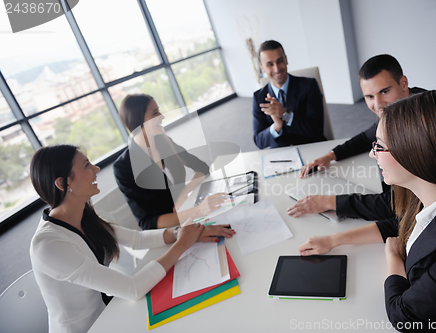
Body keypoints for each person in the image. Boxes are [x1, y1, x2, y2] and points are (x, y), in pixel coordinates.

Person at [297, 91, 436, 331]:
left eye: (379, 147)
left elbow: (404, 317)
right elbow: (400, 223)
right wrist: (333, 240)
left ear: (416, 153)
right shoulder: (433, 185)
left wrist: (393, 258)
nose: (372, 154)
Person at [29, 144, 235, 333]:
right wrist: (182, 243)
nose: (96, 168)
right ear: (62, 183)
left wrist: (182, 233)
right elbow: (132, 288)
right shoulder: (48, 245)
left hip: (113, 313)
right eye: (86, 165)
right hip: (90, 327)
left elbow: (136, 239)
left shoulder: (82, 214)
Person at [288, 54, 425, 218]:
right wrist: (331, 155)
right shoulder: (400, 109)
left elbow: (398, 205)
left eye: (385, 91)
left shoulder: (420, 125)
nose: (378, 104)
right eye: (370, 97)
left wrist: (331, 202)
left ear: (403, 83)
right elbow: (367, 137)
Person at [113, 94, 227, 230]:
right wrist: (197, 211)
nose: (162, 116)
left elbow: (202, 167)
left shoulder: (163, 142)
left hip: (191, 212)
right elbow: (147, 223)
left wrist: (184, 193)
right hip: (171, 230)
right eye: (155, 113)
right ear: (137, 120)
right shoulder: (123, 167)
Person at [252, 40, 326, 149]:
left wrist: (285, 114)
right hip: (281, 156)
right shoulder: (259, 97)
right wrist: (276, 126)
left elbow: (316, 130)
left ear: (286, 60)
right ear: (262, 68)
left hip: (312, 149)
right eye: (270, 64)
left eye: (280, 61)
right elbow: (259, 141)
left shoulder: (309, 86)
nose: (276, 69)